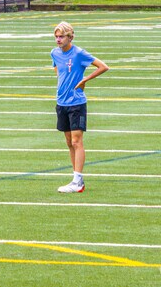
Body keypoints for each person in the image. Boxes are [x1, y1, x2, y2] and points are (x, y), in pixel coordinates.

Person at [51, 21, 109, 193]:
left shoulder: (78, 54)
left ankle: (77, 180)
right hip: (61, 102)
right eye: (56, 37)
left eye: (61, 36)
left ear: (70, 37)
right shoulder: (54, 53)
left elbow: (103, 67)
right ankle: (77, 179)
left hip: (77, 103)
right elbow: (59, 73)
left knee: (77, 141)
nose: (58, 40)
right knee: (69, 142)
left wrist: (84, 80)